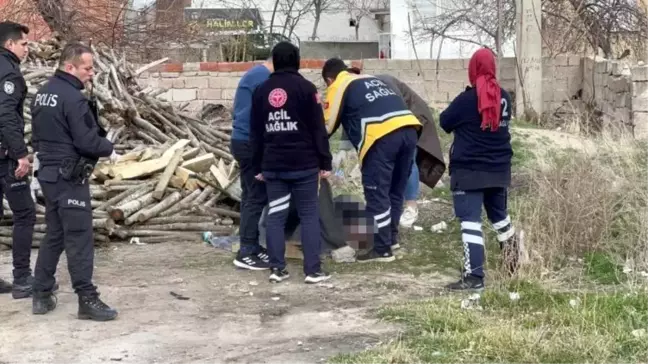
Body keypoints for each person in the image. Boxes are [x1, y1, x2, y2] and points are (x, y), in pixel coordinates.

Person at [30, 42, 118, 320]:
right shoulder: (73, 98)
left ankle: (41, 294)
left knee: (55, 233)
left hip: (48, 175)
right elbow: (86, 141)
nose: (91, 73)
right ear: (70, 67)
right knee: (79, 237)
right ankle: (87, 299)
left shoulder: (42, 93)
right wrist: (109, 148)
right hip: (69, 177)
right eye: (87, 68)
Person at [322, 58, 421, 263]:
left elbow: (326, 126)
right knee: (395, 190)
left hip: (381, 136)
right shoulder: (369, 79)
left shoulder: (338, 85)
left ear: (329, 79)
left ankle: (381, 250)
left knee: (377, 192)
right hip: (409, 130)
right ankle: (391, 240)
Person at [250, 41, 333, 284]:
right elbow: (318, 129)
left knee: (275, 216)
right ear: (297, 61)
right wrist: (325, 162)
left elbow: (255, 133)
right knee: (309, 215)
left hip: (273, 166)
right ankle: (313, 271)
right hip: (304, 165)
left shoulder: (261, 90)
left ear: (274, 62)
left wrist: (257, 166)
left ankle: (277, 269)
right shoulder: (307, 89)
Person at [439, 48, 520, 291]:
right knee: (500, 218)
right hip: (499, 169)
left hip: (469, 171)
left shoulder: (466, 100)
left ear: (473, 69)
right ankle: (513, 266)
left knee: (470, 222)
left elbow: (444, 122)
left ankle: (474, 277)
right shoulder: (504, 97)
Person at [345, 67, 444, 231]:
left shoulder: (382, 83)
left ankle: (411, 207)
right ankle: (391, 211)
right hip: (397, 124)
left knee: (408, 162)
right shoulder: (361, 91)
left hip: (411, 117)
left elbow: (397, 111)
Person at [0, 21, 41, 299]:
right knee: (25, 213)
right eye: (24, 43)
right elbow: (5, 116)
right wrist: (20, 154)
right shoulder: (9, 74)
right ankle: (23, 277)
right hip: (4, 157)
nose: (28, 49)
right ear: (9, 44)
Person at [230, 56, 274, 271]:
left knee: (251, 196)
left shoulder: (255, 74)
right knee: (255, 197)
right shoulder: (264, 78)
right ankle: (246, 250)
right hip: (250, 143)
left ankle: (252, 245)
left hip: (242, 140)